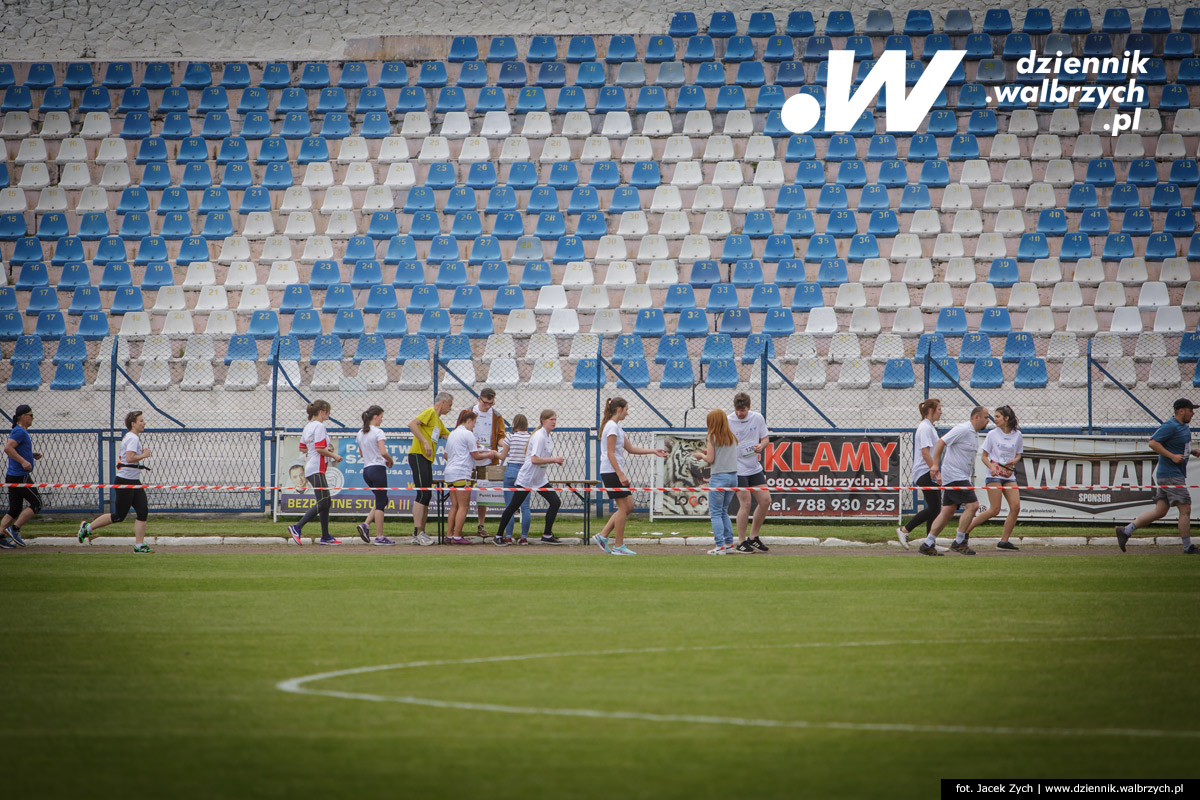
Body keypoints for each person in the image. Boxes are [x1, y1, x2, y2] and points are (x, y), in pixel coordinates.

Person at [1115, 398, 1200, 555]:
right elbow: (1153, 443)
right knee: (1185, 509)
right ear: (1181, 411)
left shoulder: (1184, 427)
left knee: (1160, 510)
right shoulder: (1170, 426)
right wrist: (1172, 456)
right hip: (1171, 475)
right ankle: (1188, 547)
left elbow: (1180, 445)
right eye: (1190, 410)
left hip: (1170, 475)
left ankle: (1126, 530)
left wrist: (1192, 451)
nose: (1193, 413)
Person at [594, 397, 668, 556]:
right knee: (623, 508)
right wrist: (620, 475)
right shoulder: (612, 427)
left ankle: (603, 536)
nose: (627, 413)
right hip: (611, 472)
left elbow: (631, 449)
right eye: (626, 409)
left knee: (629, 506)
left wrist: (654, 451)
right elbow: (610, 453)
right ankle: (618, 546)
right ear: (619, 409)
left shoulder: (616, 428)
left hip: (614, 471)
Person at [76, 411, 153, 553]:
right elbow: (129, 459)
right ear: (133, 424)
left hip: (134, 481)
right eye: (141, 420)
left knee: (143, 511)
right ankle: (87, 528)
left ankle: (139, 545)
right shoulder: (133, 438)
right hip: (125, 481)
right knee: (118, 516)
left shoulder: (132, 437)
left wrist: (140, 454)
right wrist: (144, 455)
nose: (144, 423)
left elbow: (128, 457)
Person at [924, 405, 990, 556]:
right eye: (986, 417)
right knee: (973, 506)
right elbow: (941, 442)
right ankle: (959, 541)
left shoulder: (973, 434)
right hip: (955, 476)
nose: (988, 421)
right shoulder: (963, 429)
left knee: (947, 511)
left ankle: (928, 543)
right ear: (976, 417)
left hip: (958, 476)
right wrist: (935, 464)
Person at [494, 410, 565, 545]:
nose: (554, 422)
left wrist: (554, 460)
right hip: (527, 478)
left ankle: (547, 534)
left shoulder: (547, 436)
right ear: (543, 421)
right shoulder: (539, 436)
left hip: (538, 479)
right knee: (513, 506)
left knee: (555, 502)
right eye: (551, 419)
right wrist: (554, 459)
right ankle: (498, 536)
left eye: (555, 419)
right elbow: (534, 459)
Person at [965, 405, 1024, 551]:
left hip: (1009, 475)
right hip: (994, 476)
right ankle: (964, 532)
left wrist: (1015, 461)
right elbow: (984, 457)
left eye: (997, 416)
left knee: (1015, 507)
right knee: (995, 509)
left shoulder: (1018, 435)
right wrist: (992, 468)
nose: (994, 419)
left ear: (1006, 418)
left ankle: (1004, 541)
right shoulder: (992, 434)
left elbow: (1018, 454)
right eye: (994, 416)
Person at [287, 400, 342, 546]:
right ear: (322, 412)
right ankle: (297, 527)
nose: (329, 415)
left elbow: (303, 447)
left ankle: (325, 536)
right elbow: (318, 448)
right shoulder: (320, 426)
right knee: (324, 501)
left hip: (312, 467)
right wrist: (334, 456)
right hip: (316, 468)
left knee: (325, 502)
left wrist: (323, 450)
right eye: (328, 412)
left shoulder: (308, 426)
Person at [442, 409, 498, 545]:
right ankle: (457, 536)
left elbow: (446, 455)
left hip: (449, 473)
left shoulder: (453, 433)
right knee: (463, 506)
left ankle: (449, 535)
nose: (474, 426)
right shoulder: (468, 434)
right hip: (462, 473)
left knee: (454, 506)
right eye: (474, 422)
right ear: (468, 421)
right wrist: (490, 455)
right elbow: (476, 456)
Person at [896, 398, 943, 550]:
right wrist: (935, 470)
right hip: (924, 472)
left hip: (927, 471)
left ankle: (931, 543)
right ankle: (905, 530)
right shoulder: (925, 428)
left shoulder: (929, 427)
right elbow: (925, 453)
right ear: (931, 410)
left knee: (935, 508)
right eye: (939, 409)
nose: (941, 412)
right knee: (934, 508)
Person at [728, 393, 771, 554]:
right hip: (738, 468)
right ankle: (741, 540)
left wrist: (762, 446)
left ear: (749, 407)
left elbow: (765, 438)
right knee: (745, 503)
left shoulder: (757, 418)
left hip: (754, 467)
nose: (740, 413)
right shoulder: (728, 420)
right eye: (738, 410)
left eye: (743, 410)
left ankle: (753, 537)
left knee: (766, 500)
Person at [408, 393, 452, 546]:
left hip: (427, 460)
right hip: (418, 455)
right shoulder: (430, 412)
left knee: (426, 495)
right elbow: (412, 424)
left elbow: (451, 436)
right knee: (423, 493)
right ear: (443, 402)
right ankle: (417, 532)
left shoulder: (439, 422)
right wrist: (425, 443)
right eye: (450, 405)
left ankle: (422, 531)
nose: (450, 409)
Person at [694, 409, 740, 554]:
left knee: (715, 513)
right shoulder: (731, 437)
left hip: (719, 477)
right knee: (724, 511)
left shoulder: (712, 436)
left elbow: (710, 460)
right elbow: (721, 455)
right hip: (733, 477)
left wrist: (701, 455)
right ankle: (729, 543)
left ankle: (719, 545)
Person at [1, 404, 42, 549]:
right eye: (31, 415)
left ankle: (0, 536)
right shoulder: (19, 432)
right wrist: (24, 461)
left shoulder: (20, 431)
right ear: (23, 416)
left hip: (12, 476)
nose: (33, 418)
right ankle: (15, 528)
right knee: (37, 503)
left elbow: (16, 449)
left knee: (15, 509)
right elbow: (8, 448)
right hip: (20, 476)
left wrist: (30, 456)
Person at [356, 405, 395, 546]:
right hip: (377, 469)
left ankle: (366, 524)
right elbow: (383, 452)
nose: (381, 420)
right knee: (381, 502)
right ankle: (379, 536)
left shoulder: (360, 433)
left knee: (382, 499)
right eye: (381, 417)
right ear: (376, 416)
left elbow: (361, 453)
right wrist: (391, 461)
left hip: (366, 470)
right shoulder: (378, 432)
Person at [471, 387, 506, 539]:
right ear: (479, 399)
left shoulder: (497, 416)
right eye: (486, 403)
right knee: (462, 493)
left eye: (491, 403)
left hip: (488, 459)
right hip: (469, 459)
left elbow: (500, 436)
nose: (488, 406)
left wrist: (506, 444)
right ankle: (455, 530)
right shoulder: (468, 412)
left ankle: (481, 525)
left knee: (483, 493)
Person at [495, 413, 532, 545]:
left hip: (511, 469)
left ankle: (508, 536)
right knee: (525, 507)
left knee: (509, 506)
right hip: (525, 471)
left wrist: (494, 453)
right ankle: (523, 537)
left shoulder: (510, 436)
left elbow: (503, 456)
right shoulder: (530, 437)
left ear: (514, 424)